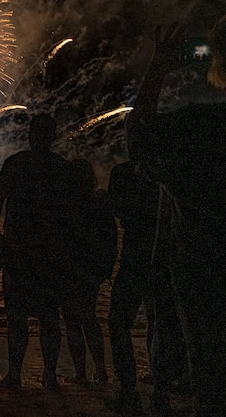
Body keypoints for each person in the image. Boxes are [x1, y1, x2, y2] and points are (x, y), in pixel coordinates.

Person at [126, 22, 226, 417]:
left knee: (211, 378)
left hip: (204, 279)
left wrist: (158, 68)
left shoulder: (199, 128)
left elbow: (140, 141)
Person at [0, 113, 73, 392]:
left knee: (19, 317)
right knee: (47, 316)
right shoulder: (61, 168)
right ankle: (48, 376)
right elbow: (71, 215)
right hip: (48, 253)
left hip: (20, 250)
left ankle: (16, 375)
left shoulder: (17, 163)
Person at [106, 160, 186, 415]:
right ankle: (159, 394)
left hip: (138, 255)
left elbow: (118, 208)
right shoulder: (167, 172)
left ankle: (131, 391)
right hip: (164, 256)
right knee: (163, 324)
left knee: (121, 322)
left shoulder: (125, 173)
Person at [60, 158, 114, 386]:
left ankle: (83, 373)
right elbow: (110, 236)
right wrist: (106, 268)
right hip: (90, 268)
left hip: (71, 266)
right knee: (88, 318)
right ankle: (100, 372)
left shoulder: (67, 203)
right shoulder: (99, 201)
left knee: (73, 321)